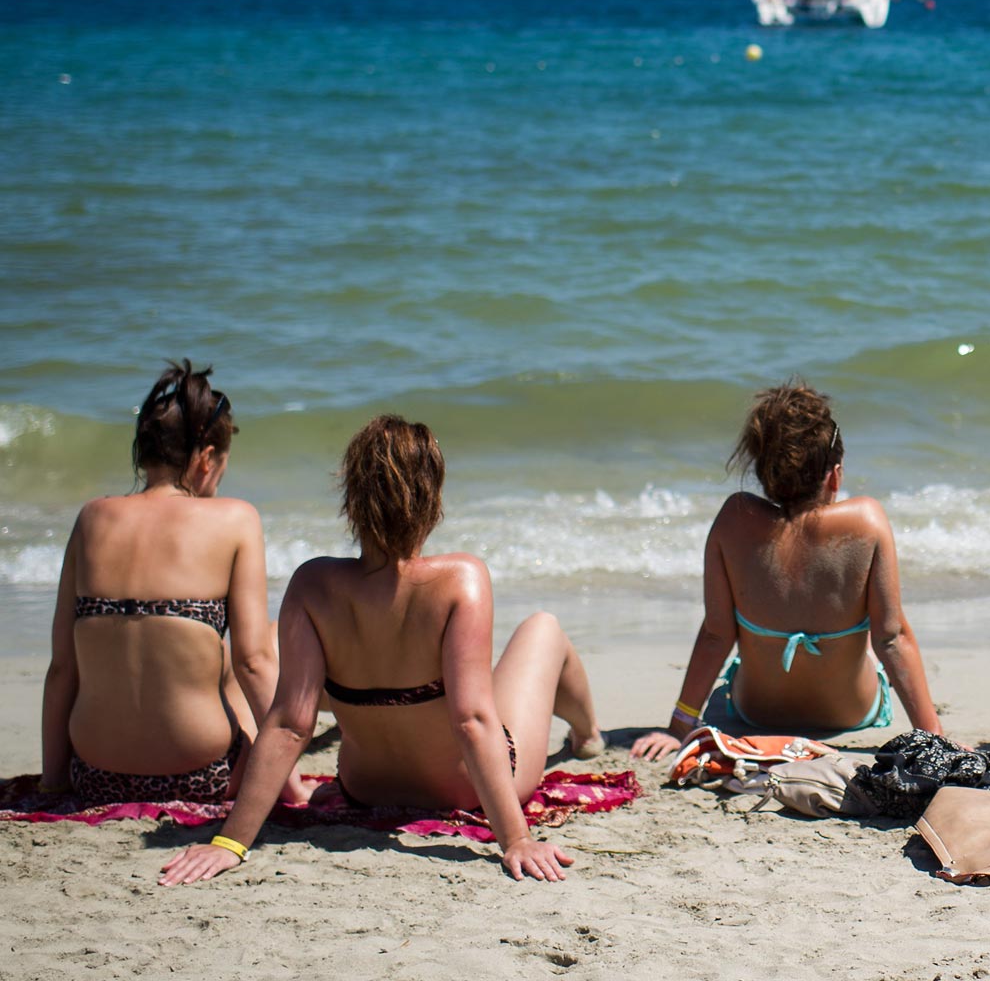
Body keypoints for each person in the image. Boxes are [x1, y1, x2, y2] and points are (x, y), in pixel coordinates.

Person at [159, 415, 601, 884]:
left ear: (353, 498)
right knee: (543, 629)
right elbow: (471, 720)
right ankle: (588, 735)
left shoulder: (312, 584)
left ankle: (584, 733)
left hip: (364, 789)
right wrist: (516, 839)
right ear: (431, 497)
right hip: (463, 789)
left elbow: (290, 722)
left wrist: (231, 842)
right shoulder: (460, 578)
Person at [629, 381, 940, 758]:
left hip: (757, 715)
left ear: (765, 473)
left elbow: (716, 635)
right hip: (851, 714)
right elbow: (892, 638)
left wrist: (680, 727)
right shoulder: (866, 521)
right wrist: (934, 739)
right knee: (871, 652)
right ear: (835, 475)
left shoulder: (734, 519)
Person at [42, 361, 289, 806]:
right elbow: (253, 665)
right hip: (203, 775)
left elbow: (63, 668)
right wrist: (291, 788)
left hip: (95, 775)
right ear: (207, 459)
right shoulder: (235, 519)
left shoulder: (92, 517)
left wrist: (54, 781)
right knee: (258, 650)